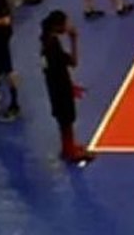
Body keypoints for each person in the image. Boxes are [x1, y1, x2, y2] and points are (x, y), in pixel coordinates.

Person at [40, 10, 95, 165]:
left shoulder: (47, 42)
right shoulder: (53, 47)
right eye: (66, 23)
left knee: (64, 120)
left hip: (55, 87)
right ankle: (70, 152)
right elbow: (73, 62)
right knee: (66, 120)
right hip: (60, 89)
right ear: (58, 26)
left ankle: (68, 147)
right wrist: (74, 39)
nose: (68, 25)